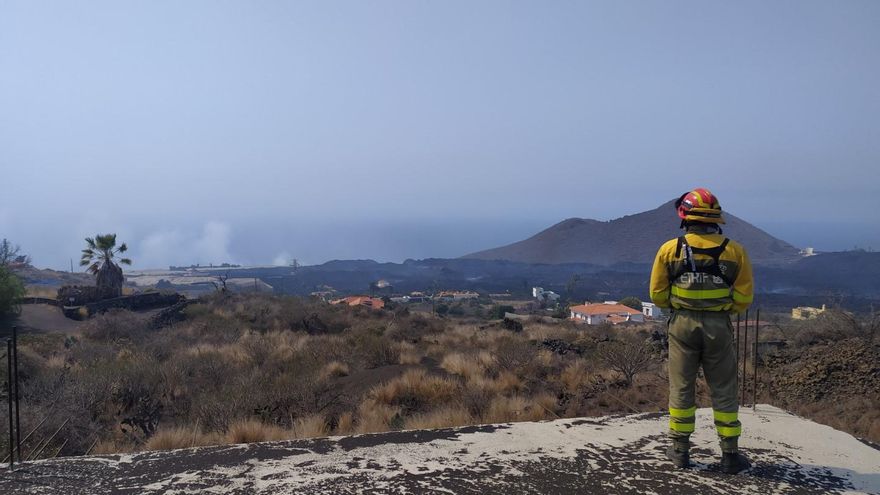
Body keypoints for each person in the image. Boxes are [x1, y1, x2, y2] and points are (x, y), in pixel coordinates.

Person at [649, 188, 753, 474]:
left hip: (682, 324)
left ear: (684, 217)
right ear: (716, 218)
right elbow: (743, 298)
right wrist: (719, 309)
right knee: (724, 388)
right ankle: (730, 454)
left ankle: (680, 450)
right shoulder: (734, 251)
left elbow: (657, 295)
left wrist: (682, 304)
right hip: (718, 326)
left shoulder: (670, 249)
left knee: (682, 386)